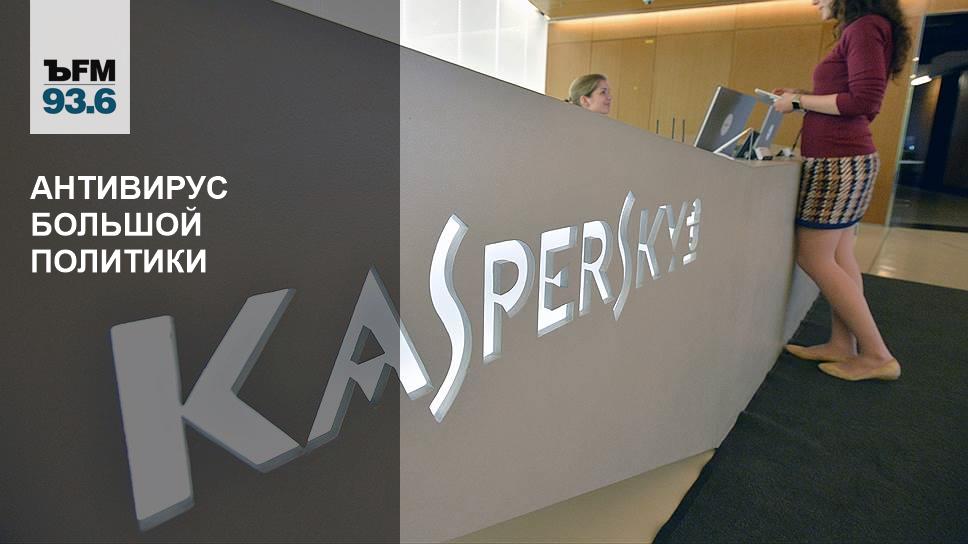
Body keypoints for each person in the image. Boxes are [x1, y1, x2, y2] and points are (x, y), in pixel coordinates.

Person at [772, 0, 911, 381]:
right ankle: (842, 344)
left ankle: (877, 355)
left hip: (838, 163)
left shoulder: (865, 27)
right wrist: (802, 96)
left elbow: (863, 102)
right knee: (840, 255)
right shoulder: (869, 26)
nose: (813, 1)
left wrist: (798, 101)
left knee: (814, 257)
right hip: (845, 160)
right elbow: (852, 98)